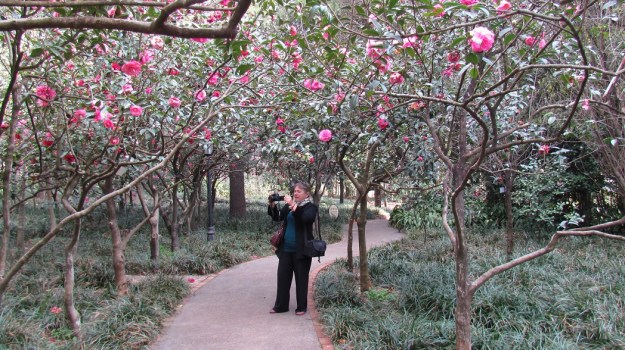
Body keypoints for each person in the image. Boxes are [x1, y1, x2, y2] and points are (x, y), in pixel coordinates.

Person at [267, 181, 318, 316]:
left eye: (299, 191)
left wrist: (292, 204)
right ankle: (281, 306)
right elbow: (278, 217)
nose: (295, 193)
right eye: (295, 191)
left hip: (302, 250)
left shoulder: (311, 207)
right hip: (286, 249)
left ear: (306, 194)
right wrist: (272, 204)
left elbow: (306, 218)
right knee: (282, 278)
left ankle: (301, 307)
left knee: (301, 279)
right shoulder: (290, 207)